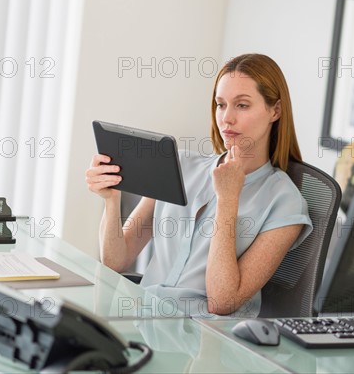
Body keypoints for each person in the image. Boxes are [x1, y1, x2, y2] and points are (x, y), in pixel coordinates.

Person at [86, 53, 313, 317]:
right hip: (145, 321)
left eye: (242, 105)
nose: (226, 118)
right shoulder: (180, 165)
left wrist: (228, 200)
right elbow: (116, 260)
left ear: (275, 110)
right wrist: (111, 198)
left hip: (207, 339)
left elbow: (223, 302)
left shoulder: (285, 202)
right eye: (220, 104)